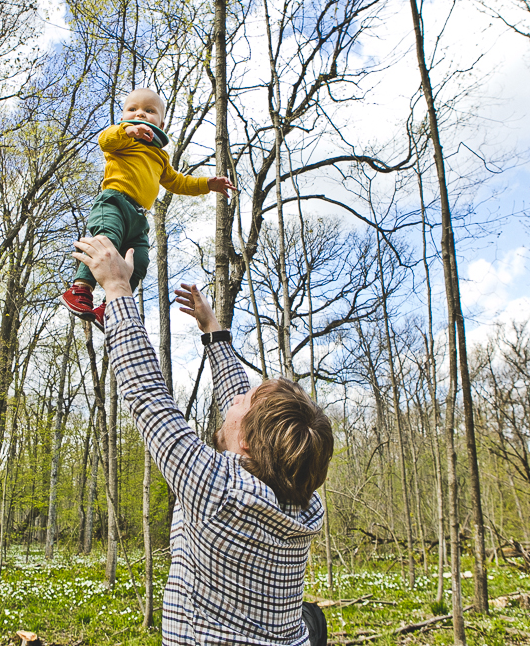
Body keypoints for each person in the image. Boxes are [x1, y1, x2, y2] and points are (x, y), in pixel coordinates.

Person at [71, 235, 332, 646]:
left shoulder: (219, 492)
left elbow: (148, 397)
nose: (235, 398)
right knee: (311, 620)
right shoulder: (302, 498)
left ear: (245, 444)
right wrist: (213, 331)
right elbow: (241, 408)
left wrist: (118, 289)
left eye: (243, 401)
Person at [59, 88, 236, 331]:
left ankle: (109, 308)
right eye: (132, 110)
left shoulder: (159, 156)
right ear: (123, 117)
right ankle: (80, 288)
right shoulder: (121, 140)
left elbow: (178, 182)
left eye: (149, 110)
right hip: (113, 202)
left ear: (161, 123)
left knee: (139, 261)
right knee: (106, 240)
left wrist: (207, 184)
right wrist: (127, 130)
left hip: (138, 216)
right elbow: (105, 140)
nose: (140, 114)